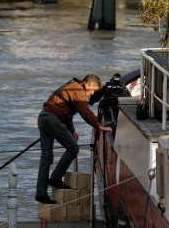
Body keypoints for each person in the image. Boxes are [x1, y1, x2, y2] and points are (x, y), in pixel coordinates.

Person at [35, 74, 112, 204]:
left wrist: (72, 131)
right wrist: (99, 126)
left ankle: (41, 194)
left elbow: (67, 113)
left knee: (46, 158)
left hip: (43, 118)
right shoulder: (78, 89)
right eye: (93, 90)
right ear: (90, 84)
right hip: (52, 119)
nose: (91, 94)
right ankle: (55, 178)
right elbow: (85, 111)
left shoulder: (71, 87)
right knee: (73, 148)